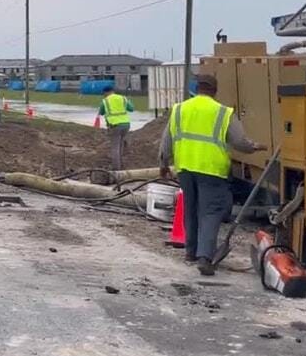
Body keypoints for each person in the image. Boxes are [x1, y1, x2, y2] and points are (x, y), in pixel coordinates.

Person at [159, 73, 267, 276]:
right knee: (211, 212)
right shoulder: (223, 112)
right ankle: (205, 257)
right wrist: (257, 147)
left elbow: (167, 140)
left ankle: (191, 252)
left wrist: (163, 164)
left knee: (190, 209)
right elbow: (239, 141)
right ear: (215, 91)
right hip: (211, 170)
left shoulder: (180, 109)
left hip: (185, 168)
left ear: (197, 88)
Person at [99, 85, 134, 172]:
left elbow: (101, 112)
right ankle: (121, 165)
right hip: (126, 124)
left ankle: (116, 169)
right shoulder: (123, 98)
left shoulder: (105, 101)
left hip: (114, 125)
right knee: (120, 145)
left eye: (103, 94)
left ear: (106, 92)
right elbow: (131, 108)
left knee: (115, 147)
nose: (103, 95)